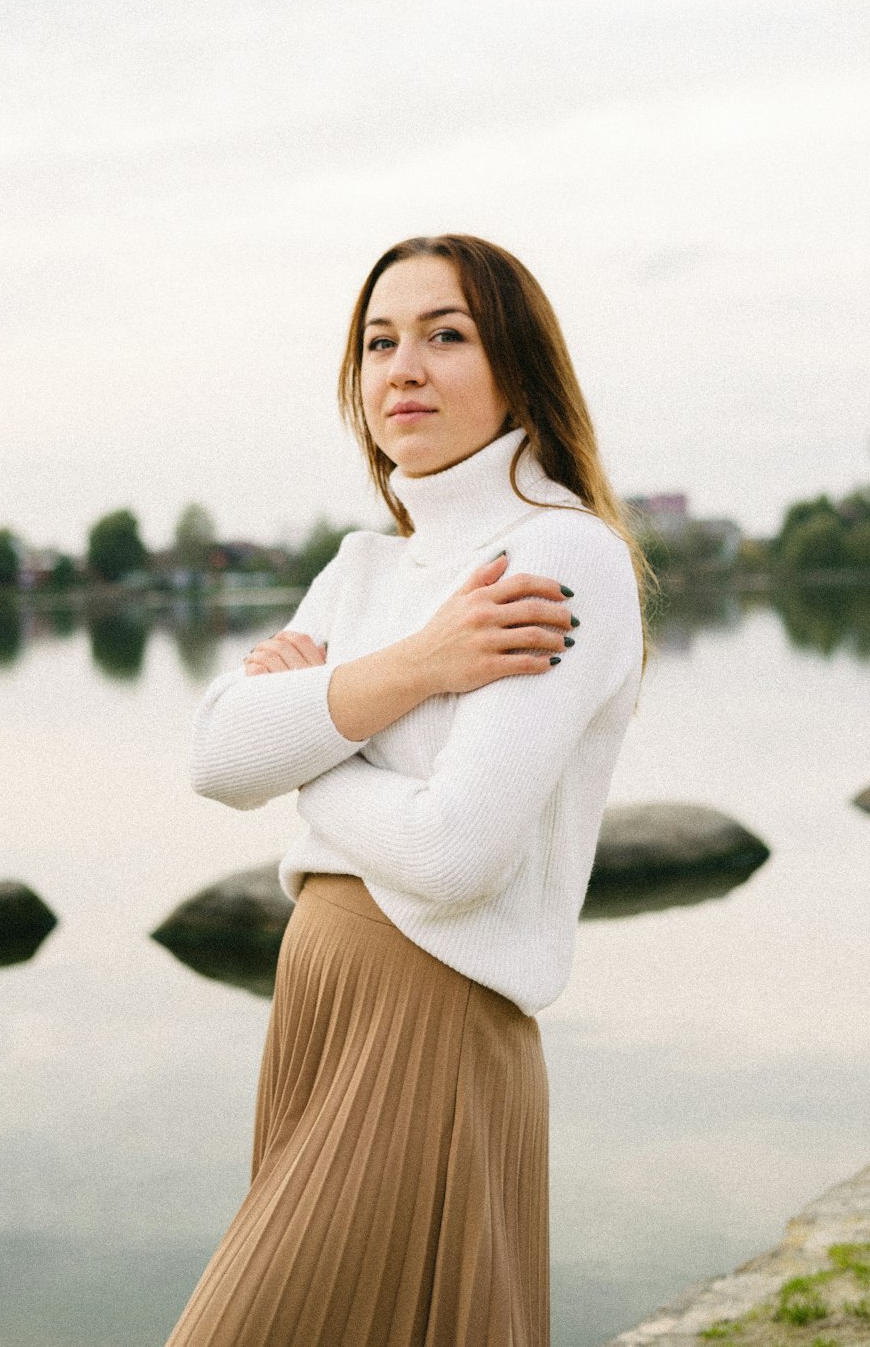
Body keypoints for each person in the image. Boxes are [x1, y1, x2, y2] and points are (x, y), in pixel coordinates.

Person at [166, 235, 653, 1347]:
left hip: (430, 1017)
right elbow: (216, 757)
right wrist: (419, 667)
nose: (403, 367)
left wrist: (316, 741)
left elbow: (451, 853)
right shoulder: (366, 567)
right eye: (379, 341)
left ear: (516, 366)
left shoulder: (557, 556)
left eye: (446, 335)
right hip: (320, 1015)